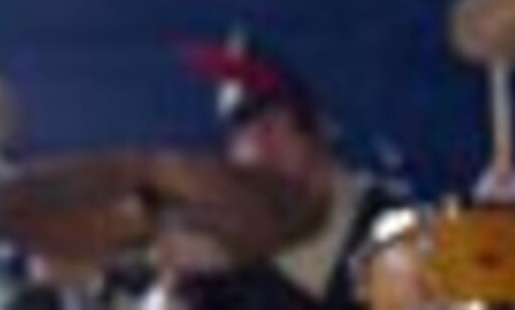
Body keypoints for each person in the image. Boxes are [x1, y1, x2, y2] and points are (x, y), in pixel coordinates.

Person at [158, 36, 389, 310]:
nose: (257, 145)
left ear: (322, 123)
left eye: (273, 120)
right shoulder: (210, 270)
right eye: (241, 126)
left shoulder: (414, 231)